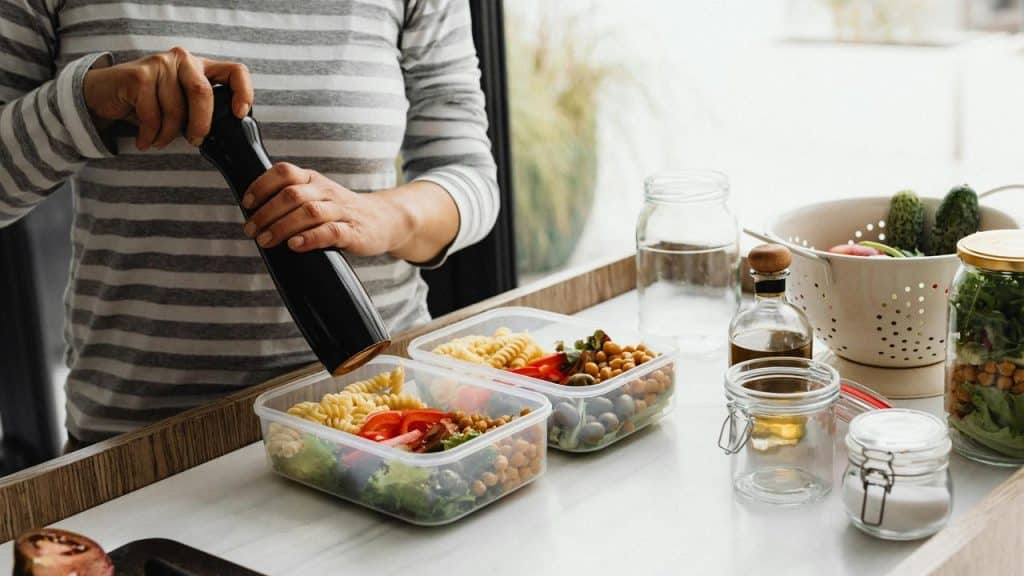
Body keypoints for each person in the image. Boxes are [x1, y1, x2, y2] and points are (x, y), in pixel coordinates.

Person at [0, 0, 498, 446]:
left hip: (385, 420)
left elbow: (470, 176)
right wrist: (84, 104)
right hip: (144, 446)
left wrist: (381, 216)